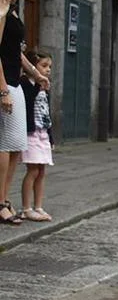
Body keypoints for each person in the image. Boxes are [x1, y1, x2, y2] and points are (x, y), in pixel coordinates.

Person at [0, 0, 48, 226]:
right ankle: (0, 202)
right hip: (5, 84)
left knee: (16, 145)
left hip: (14, 81)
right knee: (5, 144)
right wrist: (3, 90)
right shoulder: (2, 8)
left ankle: (4, 198)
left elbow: (15, 52)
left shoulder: (12, 8)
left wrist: (35, 73)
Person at [18, 51, 52, 221]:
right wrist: (39, 84)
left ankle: (38, 206)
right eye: (44, 66)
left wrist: (50, 136)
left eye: (49, 67)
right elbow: (27, 103)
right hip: (31, 133)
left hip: (43, 133)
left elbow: (46, 113)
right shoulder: (25, 83)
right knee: (32, 170)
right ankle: (26, 208)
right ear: (32, 66)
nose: (48, 70)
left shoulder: (44, 86)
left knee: (41, 171)